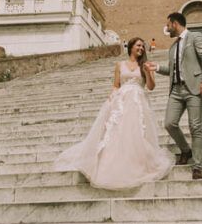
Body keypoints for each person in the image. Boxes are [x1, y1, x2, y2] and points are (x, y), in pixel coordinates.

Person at [53, 37, 174, 189]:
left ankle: (137, 165)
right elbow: (116, 85)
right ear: (130, 47)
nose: (141, 49)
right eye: (138, 46)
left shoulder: (146, 64)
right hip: (121, 102)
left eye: (143, 47)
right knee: (116, 133)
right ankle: (111, 164)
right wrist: (112, 96)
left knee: (135, 134)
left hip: (138, 102)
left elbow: (150, 87)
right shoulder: (119, 65)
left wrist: (148, 73)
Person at [144, 12, 202, 180]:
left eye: (168, 25)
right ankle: (186, 150)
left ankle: (197, 166)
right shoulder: (173, 47)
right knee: (169, 123)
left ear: (174, 24)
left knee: (195, 127)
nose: (167, 29)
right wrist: (157, 67)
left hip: (194, 88)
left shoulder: (195, 37)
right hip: (176, 90)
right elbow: (172, 70)